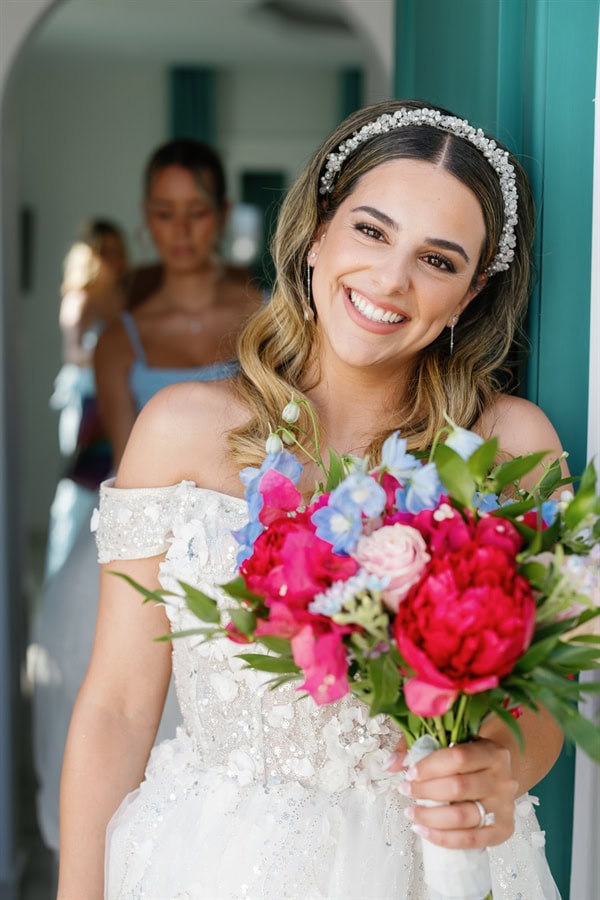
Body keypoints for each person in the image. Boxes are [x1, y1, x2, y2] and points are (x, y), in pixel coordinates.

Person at [58, 100, 565, 899]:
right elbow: (118, 707)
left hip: (428, 867)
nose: (391, 278)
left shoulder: (510, 449)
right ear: (319, 231)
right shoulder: (181, 430)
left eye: (438, 260)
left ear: (469, 294)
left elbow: (543, 705)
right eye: (371, 230)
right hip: (214, 862)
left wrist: (504, 768)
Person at [32, 139, 261, 857]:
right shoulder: (118, 338)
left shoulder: (266, 313)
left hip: (255, 532)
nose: (182, 229)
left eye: (196, 211)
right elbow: (139, 472)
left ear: (221, 215)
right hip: (153, 535)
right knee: (111, 695)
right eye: (165, 213)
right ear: (145, 221)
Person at [45, 219, 129, 579]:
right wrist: (106, 356)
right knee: (83, 484)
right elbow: (72, 352)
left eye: (116, 249)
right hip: (87, 402)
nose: (111, 258)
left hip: (116, 393)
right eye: (103, 251)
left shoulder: (125, 296)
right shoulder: (81, 298)